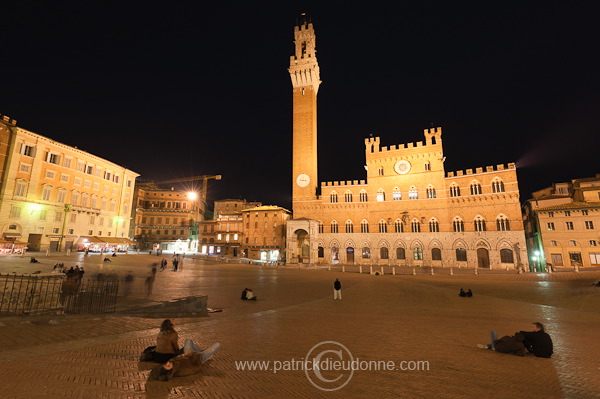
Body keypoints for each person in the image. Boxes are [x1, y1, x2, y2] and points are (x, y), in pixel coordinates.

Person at [154, 319, 220, 364]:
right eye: (173, 321)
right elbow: (176, 347)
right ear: (171, 326)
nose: (174, 321)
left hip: (158, 357)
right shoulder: (173, 334)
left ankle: (199, 353)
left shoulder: (160, 333)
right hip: (168, 357)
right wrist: (181, 351)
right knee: (188, 341)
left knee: (188, 346)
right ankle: (198, 355)